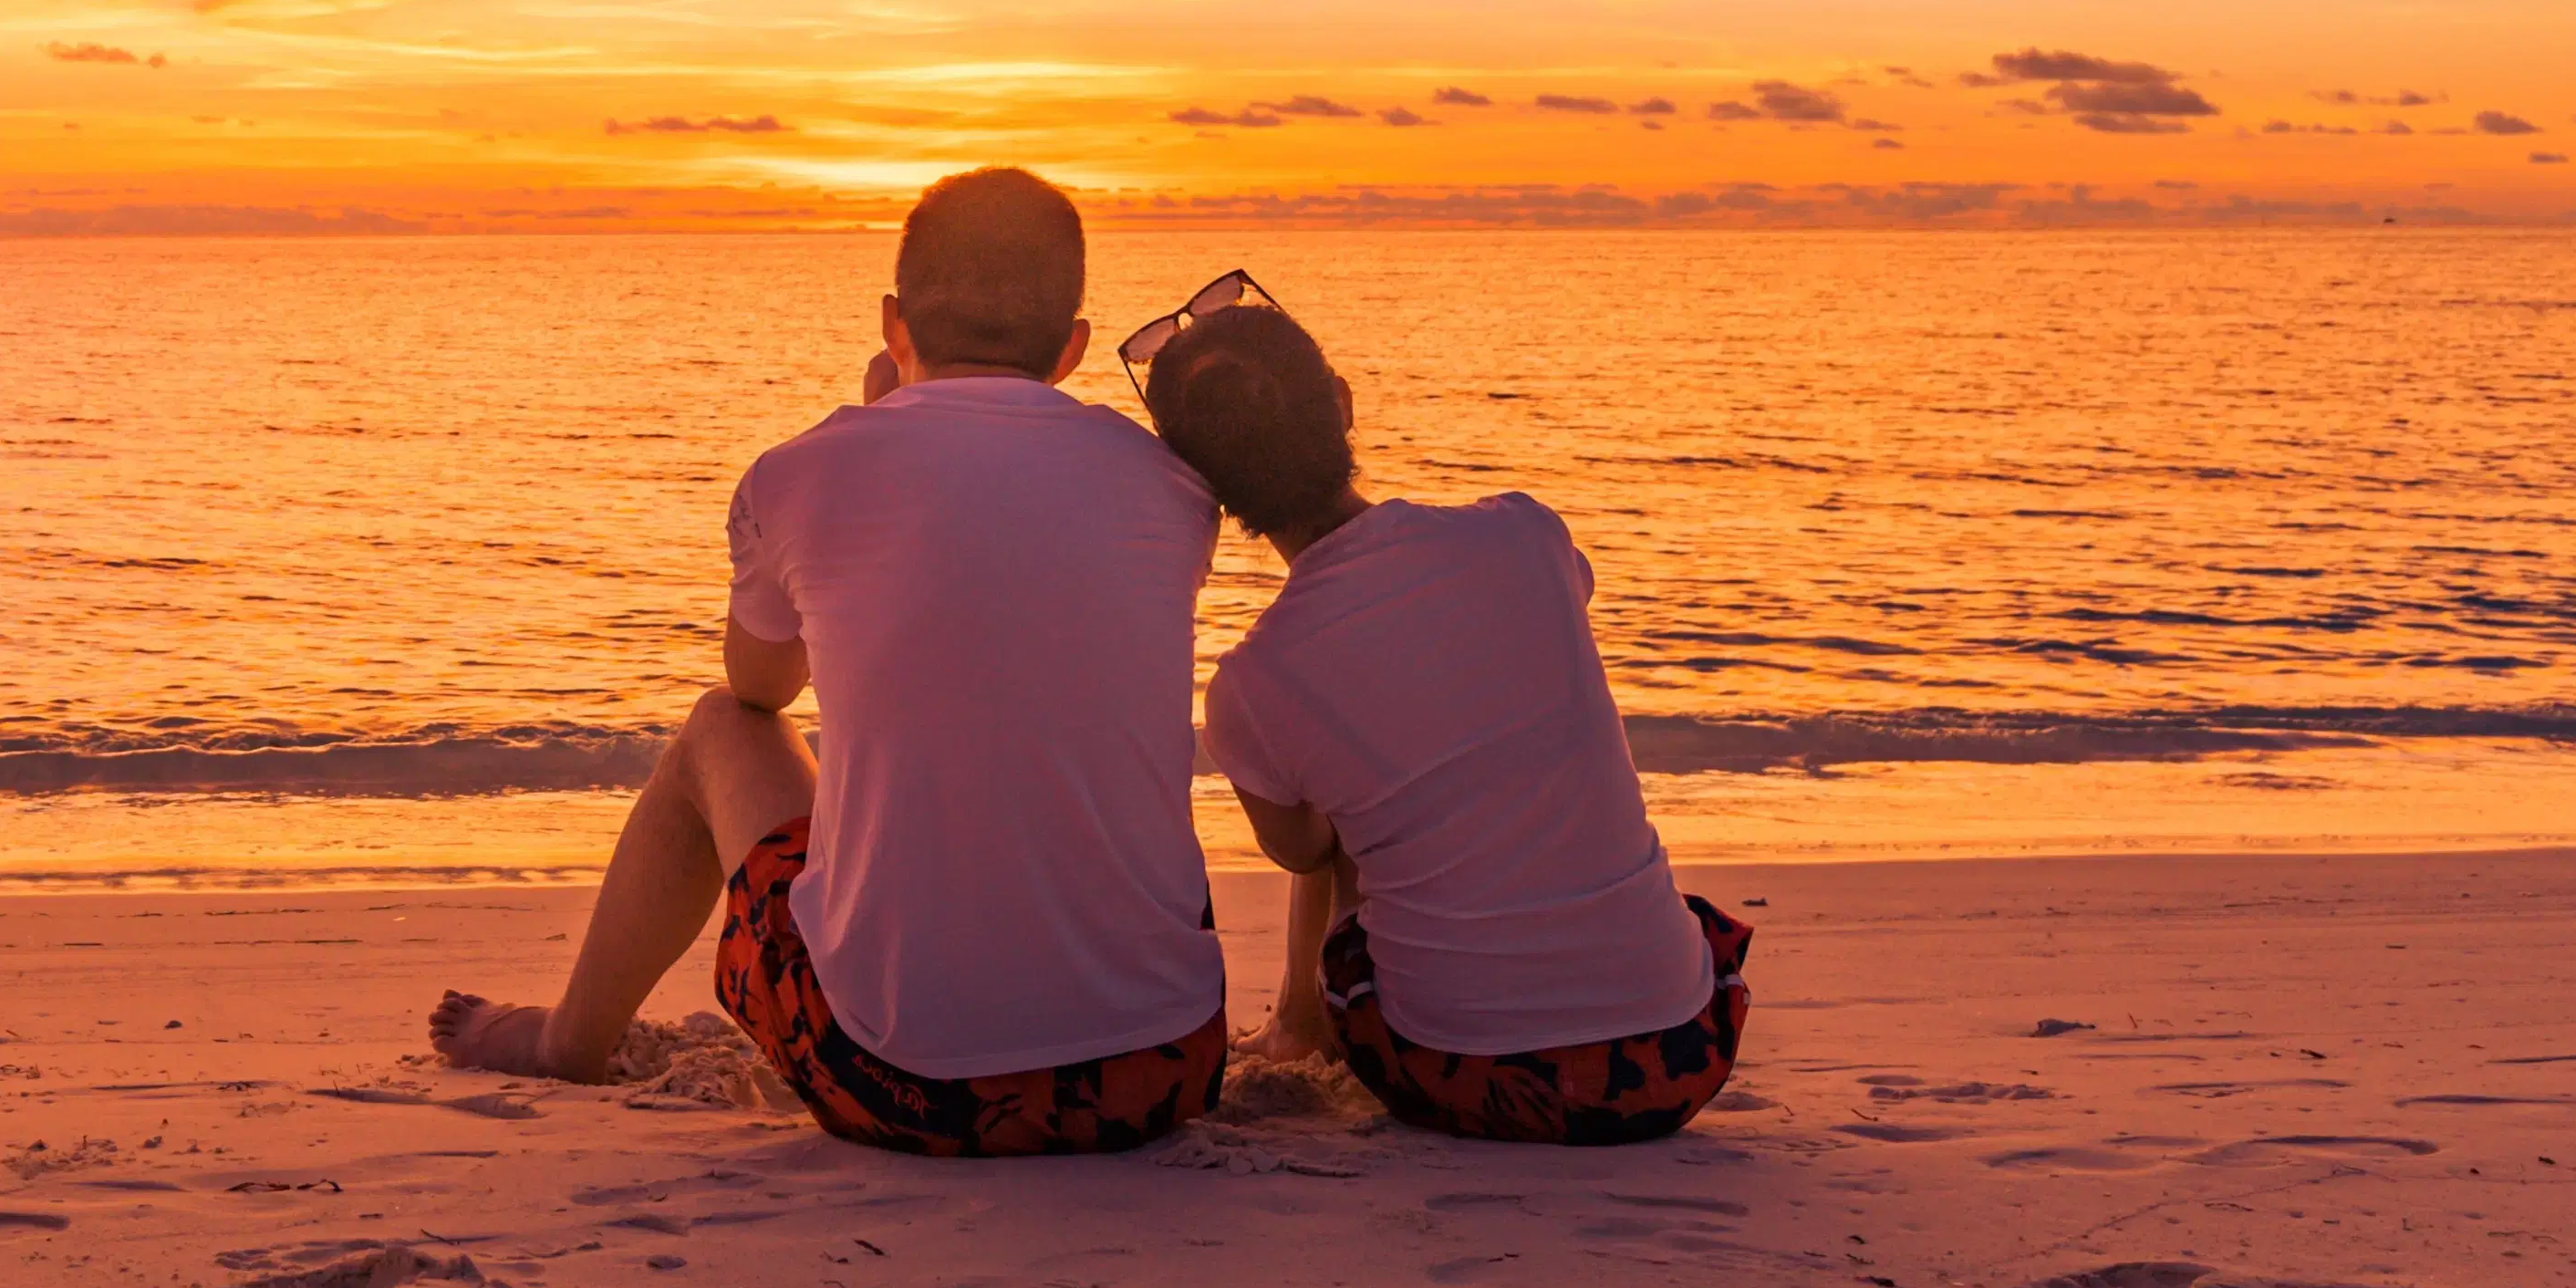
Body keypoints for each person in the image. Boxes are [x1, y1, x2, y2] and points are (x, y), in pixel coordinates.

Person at [428, 167, 1231, 1155]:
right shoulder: (1173, 485)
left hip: (900, 1083)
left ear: (895, 322)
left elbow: (761, 686)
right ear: (1069, 347)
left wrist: (872, 419)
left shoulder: (798, 473)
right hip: (1161, 1069)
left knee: (716, 730)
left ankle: (567, 1036)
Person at [1139, 294, 1750, 1145]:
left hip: (1462, 1072)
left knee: (1348, 799)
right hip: (1677, 1053)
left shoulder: (1252, 685)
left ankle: (1298, 1023)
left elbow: (1305, 850)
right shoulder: (1526, 537)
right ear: (1342, 403)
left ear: (1206, 491)